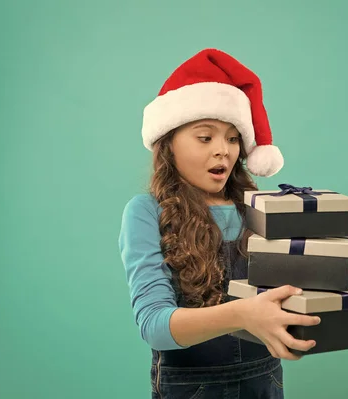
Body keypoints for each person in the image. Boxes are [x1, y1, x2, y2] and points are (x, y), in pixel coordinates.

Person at [118, 48, 322, 399]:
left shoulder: (259, 209)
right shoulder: (146, 212)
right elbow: (154, 325)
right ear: (169, 143)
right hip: (191, 387)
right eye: (204, 136)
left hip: (265, 382)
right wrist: (244, 314)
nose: (223, 151)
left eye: (232, 138)